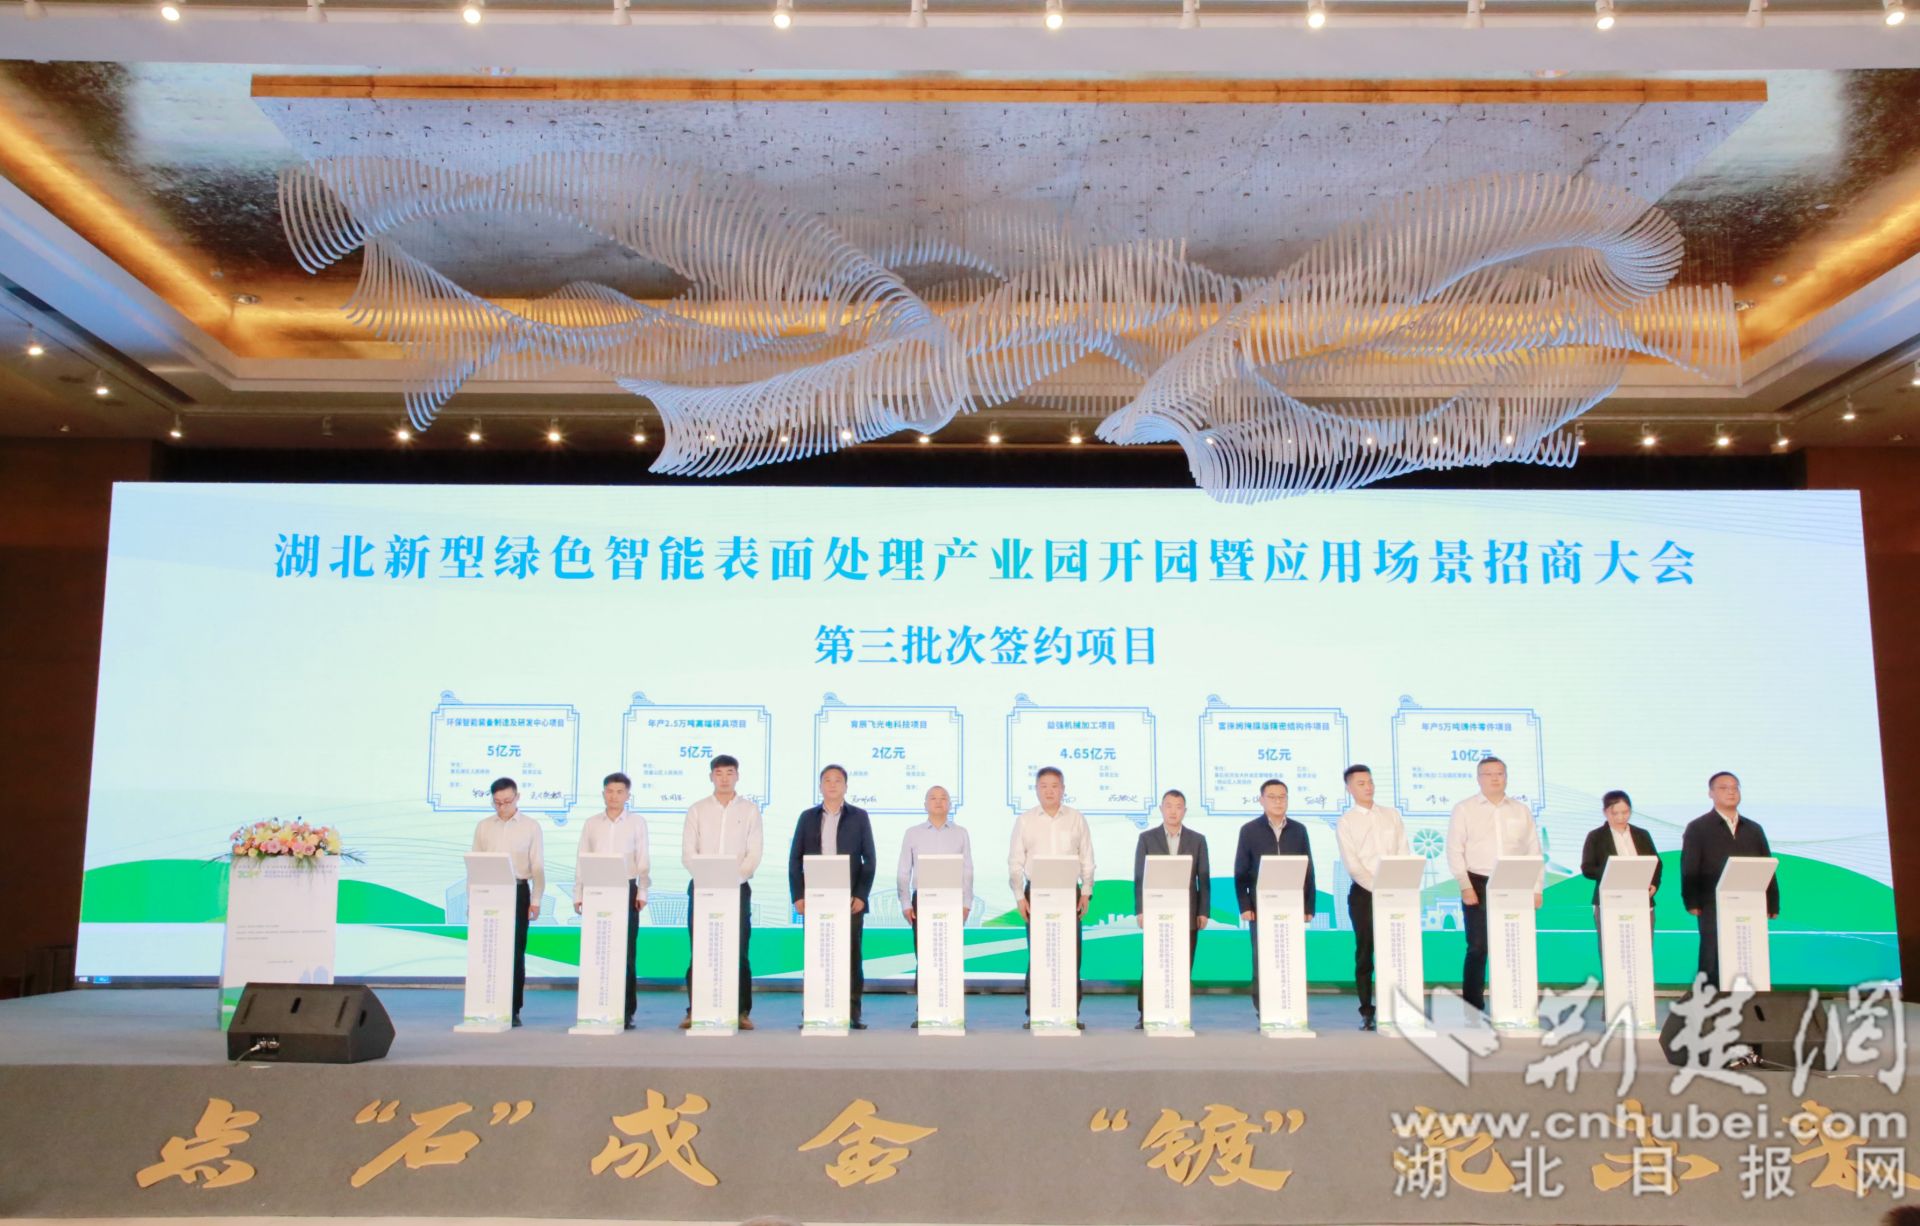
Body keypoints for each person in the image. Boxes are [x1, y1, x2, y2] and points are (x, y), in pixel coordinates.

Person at [1445, 756, 1542, 1018]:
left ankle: (1515, 1004)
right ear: (1478, 778)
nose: (1495, 778)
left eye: (1500, 773)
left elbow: (1533, 849)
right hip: (1477, 881)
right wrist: (1465, 885)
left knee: (1513, 944)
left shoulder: (1520, 810)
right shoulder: (1464, 808)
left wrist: (1537, 888)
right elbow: (1454, 849)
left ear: (1506, 777)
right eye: (1488, 774)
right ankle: (1472, 1007)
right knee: (1478, 946)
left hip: (1515, 880)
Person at [787, 763, 877, 1029]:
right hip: (815, 899)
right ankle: (814, 1011)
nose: (833, 784)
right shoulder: (807, 817)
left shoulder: (859, 816)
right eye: (827, 780)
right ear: (820, 786)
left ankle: (852, 1012)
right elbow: (794, 858)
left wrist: (861, 895)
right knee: (817, 954)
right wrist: (798, 896)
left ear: (846, 786)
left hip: (849, 901)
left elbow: (870, 859)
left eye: (838, 780)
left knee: (851, 956)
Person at [679, 754, 763, 1030]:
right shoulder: (697, 809)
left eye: (729, 772)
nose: (724, 778)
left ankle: (741, 1011)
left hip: (737, 887)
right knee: (700, 948)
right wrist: (707, 877)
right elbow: (688, 852)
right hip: (702, 886)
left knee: (739, 951)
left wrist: (733, 878)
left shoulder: (750, 810)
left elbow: (754, 852)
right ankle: (695, 1009)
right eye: (719, 773)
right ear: (711, 776)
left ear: (737, 776)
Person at [1008, 765, 1095, 1028]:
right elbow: (1015, 861)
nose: (1049, 791)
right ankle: (1035, 1012)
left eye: (1055, 786)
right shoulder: (1025, 820)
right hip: (1036, 892)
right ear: (1036, 789)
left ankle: (1071, 1013)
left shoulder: (1076, 818)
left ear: (1063, 789)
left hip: (1069, 891)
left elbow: (1087, 857)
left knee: (1071, 953)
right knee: (1039, 953)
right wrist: (1019, 897)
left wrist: (1086, 892)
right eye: (1044, 786)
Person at [1680, 771, 1779, 989]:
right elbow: (1689, 866)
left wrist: (1772, 902)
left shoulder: (1753, 829)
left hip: (1750, 902)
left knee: (1748, 952)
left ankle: (1750, 1000)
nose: (1731, 792)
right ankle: (1708, 1000)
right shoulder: (1698, 827)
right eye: (1724, 788)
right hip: (1712, 902)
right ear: (1711, 793)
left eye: (1735, 787)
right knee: (1713, 952)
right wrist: (1691, 901)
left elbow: (1767, 865)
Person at [1233, 778, 1316, 1019]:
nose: (1278, 802)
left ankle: (1291, 1005)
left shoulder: (1299, 830)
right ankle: (1264, 1008)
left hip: (1292, 905)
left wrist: (1308, 906)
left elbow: (1308, 870)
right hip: (1261, 907)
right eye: (1272, 797)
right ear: (1261, 800)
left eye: (1282, 797)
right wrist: (1245, 905)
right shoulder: (1249, 830)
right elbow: (1241, 871)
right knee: (1262, 958)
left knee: (1291, 956)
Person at [1335, 764, 1409, 1031]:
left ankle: (1398, 1007)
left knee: (1396, 949)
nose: (1368, 787)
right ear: (1349, 788)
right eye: (1361, 783)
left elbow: (1403, 851)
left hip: (1396, 890)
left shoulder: (1391, 815)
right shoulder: (1346, 822)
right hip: (1364, 893)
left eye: (1370, 782)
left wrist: (1395, 885)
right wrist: (1378, 888)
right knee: (1366, 951)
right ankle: (1367, 1011)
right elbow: (1353, 864)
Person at [574, 771, 649, 1030]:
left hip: (626, 889)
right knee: (597, 950)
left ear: (628, 795)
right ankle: (595, 1005)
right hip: (596, 889)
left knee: (625, 952)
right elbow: (582, 859)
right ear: (603, 793)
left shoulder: (637, 822)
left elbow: (643, 859)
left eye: (619, 792)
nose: (614, 796)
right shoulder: (592, 823)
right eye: (609, 791)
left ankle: (625, 1011)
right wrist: (578, 893)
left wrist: (642, 892)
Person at [1132, 788, 1211, 1028]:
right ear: (1161, 809)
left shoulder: (1197, 840)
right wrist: (1140, 910)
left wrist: (1203, 911)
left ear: (1185, 811)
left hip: (1187, 912)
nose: (1173, 811)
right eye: (1169, 806)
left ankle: (1178, 1011)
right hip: (1156, 911)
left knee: (1183, 963)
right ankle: (1146, 1013)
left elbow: (1203, 878)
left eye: (1178, 807)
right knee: (1153, 962)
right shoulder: (1147, 838)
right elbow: (1139, 877)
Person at [471, 776, 544, 1028]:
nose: (502, 807)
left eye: (507, 801)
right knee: (488, 949)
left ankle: (512, 1008)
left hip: (518, 891)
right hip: (488, 892)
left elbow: (537, 866)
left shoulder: (531, 826)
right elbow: (475, 864)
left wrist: (536, 898)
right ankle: (486, 1003)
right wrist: (472, 898)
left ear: (517, 798)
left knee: (515, 952)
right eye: (497, 802)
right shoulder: (484, 826)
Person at [898, 784, 973, 1027]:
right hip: (923, 900)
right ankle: (924, 1011)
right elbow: (904, 870)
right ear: (925, 804)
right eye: (933, 798)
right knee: (925, 957)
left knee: (950, 956)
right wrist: (906, 902)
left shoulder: (961, 833)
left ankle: (952, 1010)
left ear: (950, 804)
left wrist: (966, 902)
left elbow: (967, 870)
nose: (938, 801)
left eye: (943, 798)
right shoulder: (912, 833)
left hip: (952, 900)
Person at [1578, 789, 1660, 953]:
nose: (1621, 817)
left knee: (1642, 949)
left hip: (1641, 899)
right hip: (1609, 901)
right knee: (1612, 950)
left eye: (1625, 812)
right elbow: (1587, 868)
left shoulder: (1642, 834)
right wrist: (1614, 872)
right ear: (1605, 812)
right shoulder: (1596, 836)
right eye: (1615, 813)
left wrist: (1654, 884)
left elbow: (1656, 864)